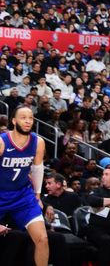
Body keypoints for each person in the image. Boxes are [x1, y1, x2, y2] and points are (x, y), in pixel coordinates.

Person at [0, 106, 49, 266]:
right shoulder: (2, 142)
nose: (28, 121)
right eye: (23, 117)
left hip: (23, 195)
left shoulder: (38, 142)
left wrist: (37, 195)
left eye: (30, 118)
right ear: (14, 121)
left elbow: (37, 168)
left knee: (42, 239)